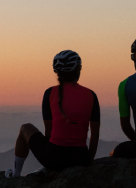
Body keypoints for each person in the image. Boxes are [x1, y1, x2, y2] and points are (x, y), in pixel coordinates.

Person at [6, 50, 100, 178]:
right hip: (81, 158)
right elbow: (94, 135)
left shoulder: (50, 93)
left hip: (54, 158)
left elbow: (49, 134)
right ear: (78, 69)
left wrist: (51, 162)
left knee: (25, 128)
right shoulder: (91, 95)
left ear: (57, 72)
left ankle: (16, 175)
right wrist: (88, 161)